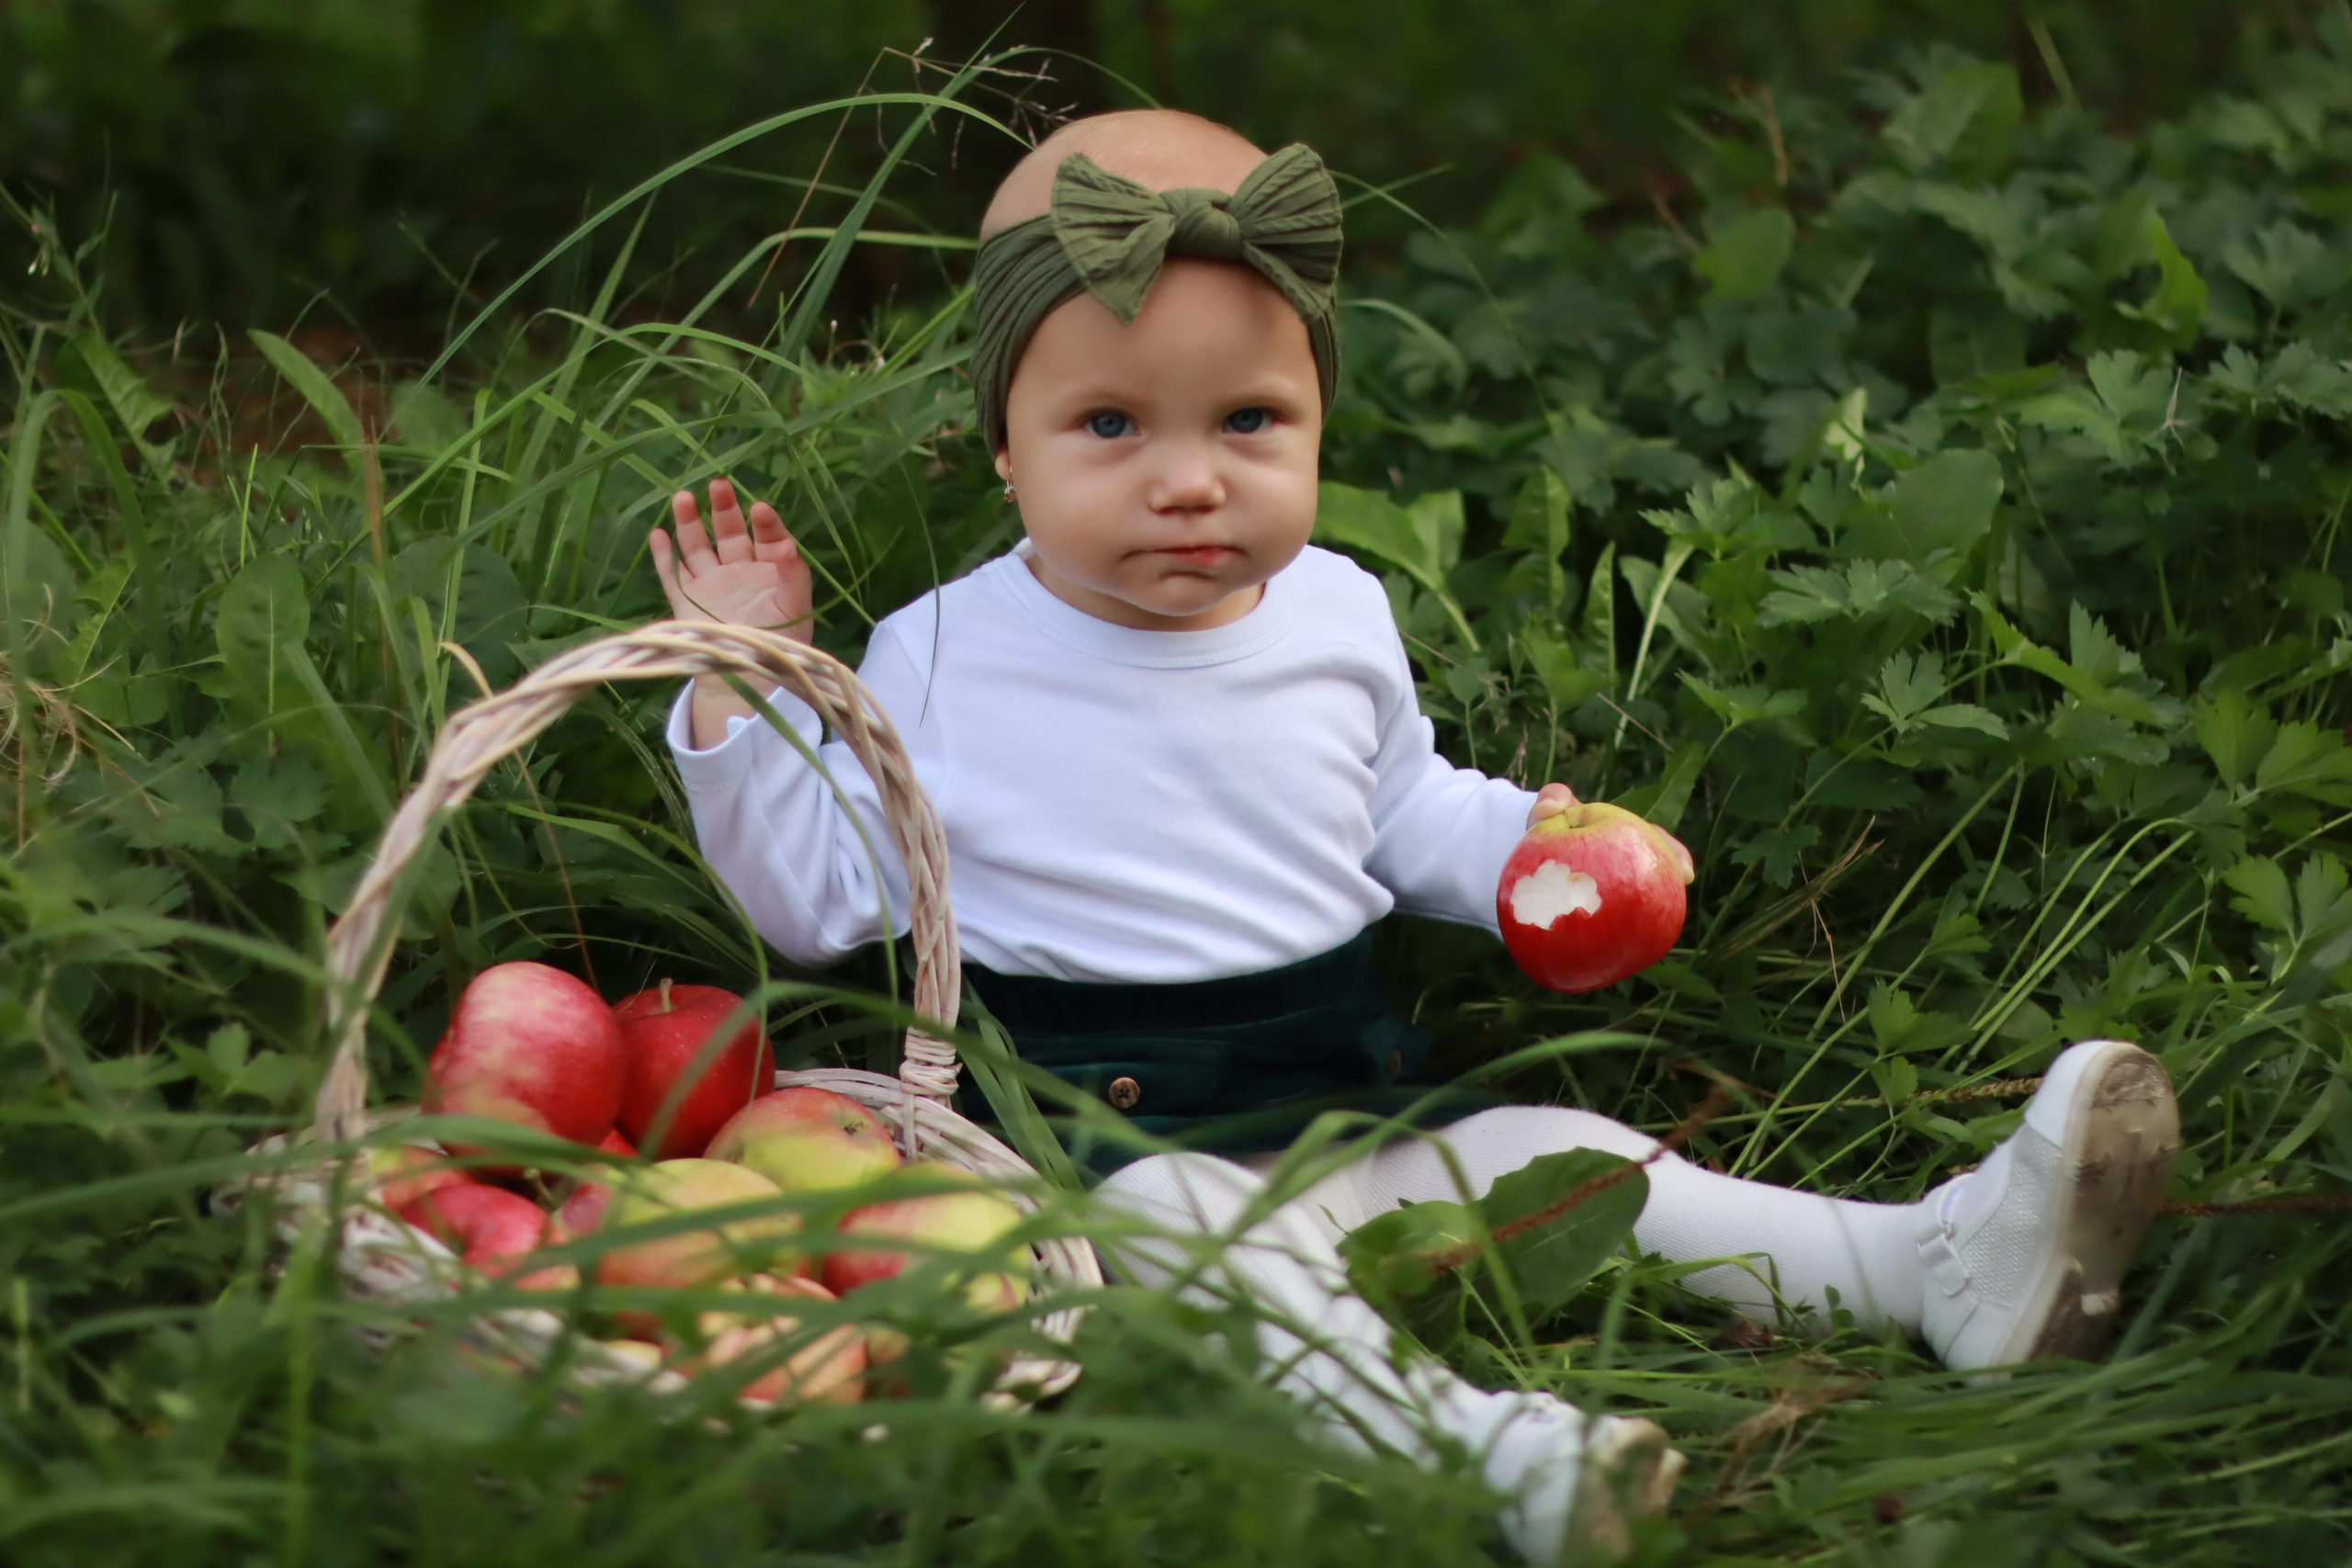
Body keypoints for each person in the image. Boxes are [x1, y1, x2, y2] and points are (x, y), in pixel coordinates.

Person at [646, 108, 2182, 1564]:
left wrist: (1536, 857)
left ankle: (1926, 1263)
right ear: (1005, 444)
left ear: (1320, 418)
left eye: (1250, 419)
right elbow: (812, 900)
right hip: (1111, 1139)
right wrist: (739, 681)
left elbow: (1397, 810)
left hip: (1353, 1103)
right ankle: (1491, 1455)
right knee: (1219, 1258)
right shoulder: (937, 657)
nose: (1189, 480)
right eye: (1109, 424)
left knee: (1569, 1159)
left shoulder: (1337, 611)